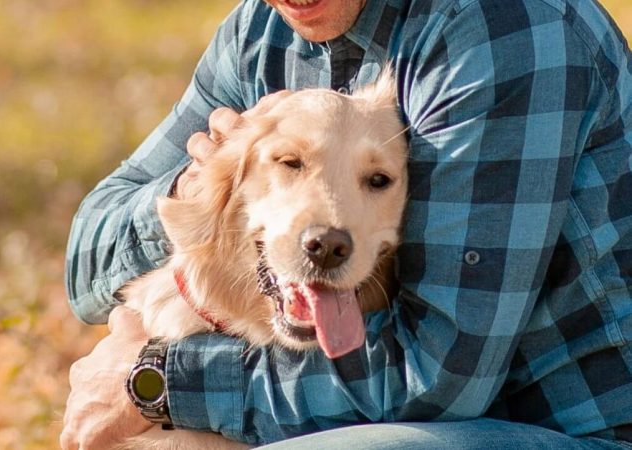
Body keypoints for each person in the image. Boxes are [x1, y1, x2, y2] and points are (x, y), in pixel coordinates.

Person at [60, 0, 632, 448]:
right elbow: (87, 262)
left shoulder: (503, 30)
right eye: (290, 163)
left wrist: (157, 384)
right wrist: (200, 187)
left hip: (564, 430)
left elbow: (438, 383)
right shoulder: (261, 31)